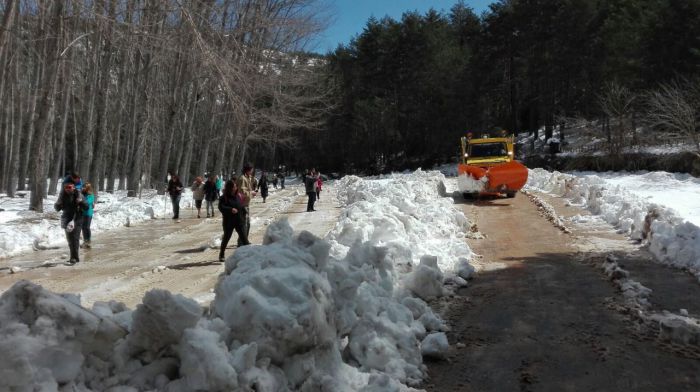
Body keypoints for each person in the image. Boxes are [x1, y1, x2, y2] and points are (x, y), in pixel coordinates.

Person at [55, 179, 88, 264]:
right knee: (70, 239)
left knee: (75, 238)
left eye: (69, 187)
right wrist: (58, 205)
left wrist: (81, 202)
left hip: (77, 218)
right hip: (67, 219)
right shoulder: (62, 195)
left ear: (73, 187)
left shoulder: (78, 195)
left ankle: (74, 257)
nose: (67, 189)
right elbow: (57, 208)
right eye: (65, 187)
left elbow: (87, 207)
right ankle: (73, 256)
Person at [218, 180, 249, 261]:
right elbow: (221, 207)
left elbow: (240, 205)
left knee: (245, 239)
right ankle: (222, 253)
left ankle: (250, 254)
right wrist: (230, 209)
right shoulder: (223, 198)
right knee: (226, 238)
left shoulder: (238, 196)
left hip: (239, 221)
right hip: (229, 222)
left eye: (236, 186)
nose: (236, 188)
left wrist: (244, 210)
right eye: (234, 186)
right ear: (230, 188)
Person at [235, 164, 257, 246]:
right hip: (241, 204)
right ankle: (242, 242)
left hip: (246, 204)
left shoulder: (248, 177)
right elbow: (241, 192)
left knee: (247, 224)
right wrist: (251, 193)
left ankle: (244, 241)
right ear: (248, 170)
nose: (252, 171)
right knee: (244, 224)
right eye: (251, 170)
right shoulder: (242, 179)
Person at [81, 182, 95, 249]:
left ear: (88, 188)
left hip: (88, 213)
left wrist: (81, 200)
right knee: (83, 227)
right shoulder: (82, 194)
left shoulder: (90, 195)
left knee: (87, 227)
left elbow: (88, 202)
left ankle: (88, 240)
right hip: (82, 213)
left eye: (84, 187)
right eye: (83, 187)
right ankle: (85, 240)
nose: (83, 188)